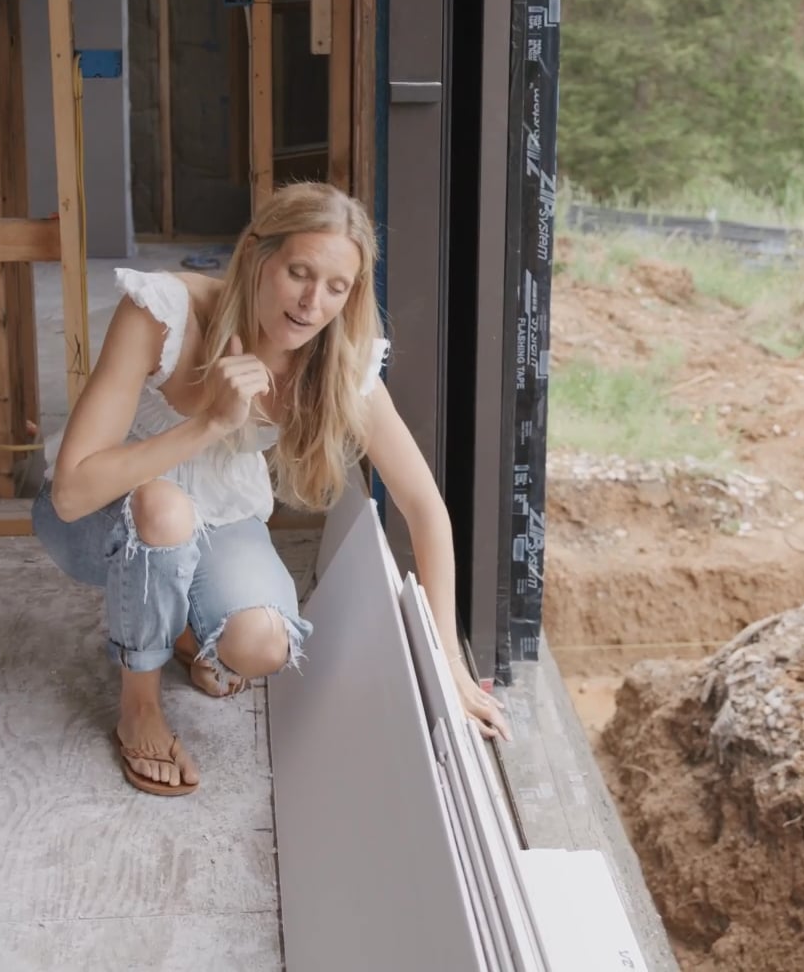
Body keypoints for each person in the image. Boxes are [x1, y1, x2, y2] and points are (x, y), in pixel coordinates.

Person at [32, 181, 511, 796]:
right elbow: (73, 492)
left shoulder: (335, 361)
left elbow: (424, 506)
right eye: (299, 272)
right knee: (164, 508)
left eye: (337, 287)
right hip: (99, 517)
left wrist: (449, 661)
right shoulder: (163, 313)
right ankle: (140, 707)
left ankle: (183, 630)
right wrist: (210, 424)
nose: (313, 304)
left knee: (262, 646)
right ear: (258, 254)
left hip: (219, 514)